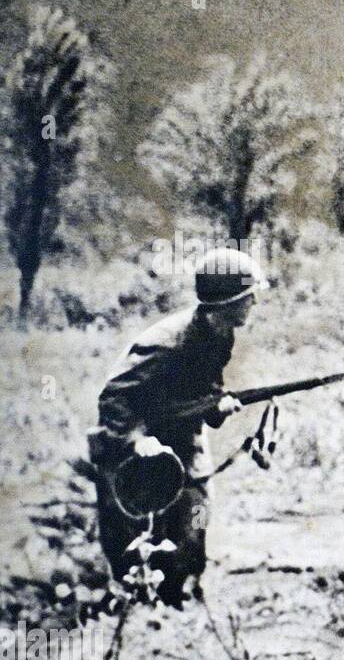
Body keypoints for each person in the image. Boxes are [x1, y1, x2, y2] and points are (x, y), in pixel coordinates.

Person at [89, 248, 260, 607]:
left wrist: (218, 405)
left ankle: (178, 596)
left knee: (194, 514)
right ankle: (133, 607)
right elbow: (114, 397)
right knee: (134, 525)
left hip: (181, 434)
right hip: (132, 440)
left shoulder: (220, 333)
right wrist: (137, 439)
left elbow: (204, 389)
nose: (254, 302)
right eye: (248, 297)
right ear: (226, 303)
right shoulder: (165, 343)